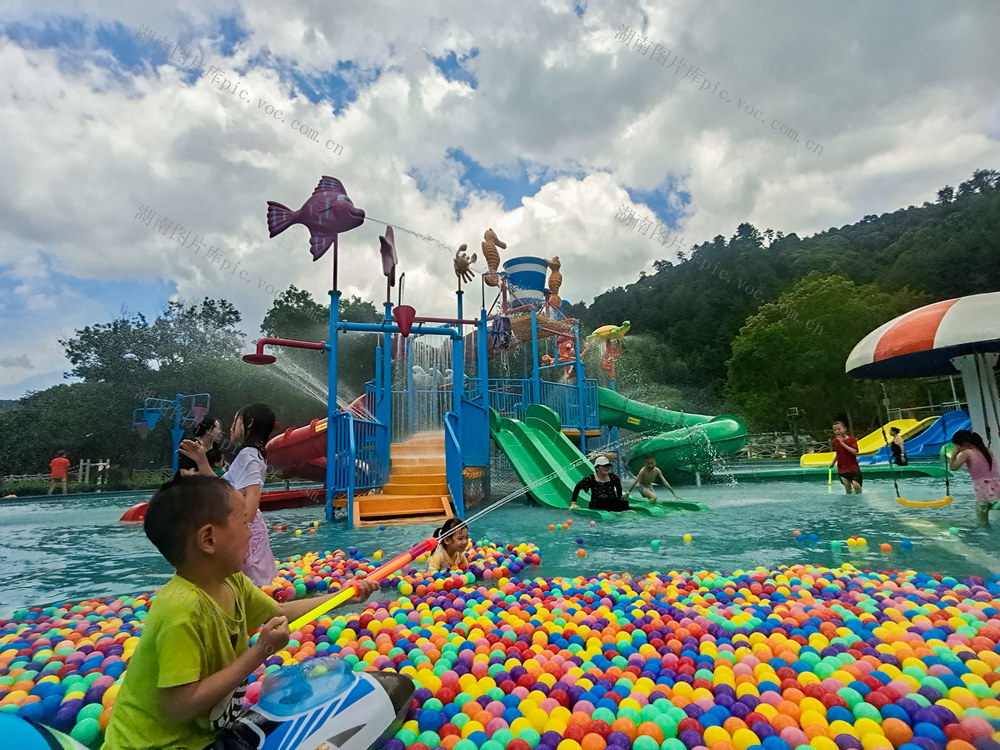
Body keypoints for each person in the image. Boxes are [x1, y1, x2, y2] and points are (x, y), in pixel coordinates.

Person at [100, 475, 378, 750]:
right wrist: (260, 652)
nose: (250, 532)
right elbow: (179, 706)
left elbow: (279, 611)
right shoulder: (179, 609)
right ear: (208, 539)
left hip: (202, 735)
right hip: (155, 745)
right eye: (244, 523)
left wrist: (343, 597)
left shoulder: (230, 580)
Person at [180, 404, 278, 587]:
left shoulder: (248, 454)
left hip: (245, 525)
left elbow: (253, 496)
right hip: (247, 525)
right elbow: (221, 486)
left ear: (248, 425)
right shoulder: (251, 454)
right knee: (252, 582)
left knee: (252, 582)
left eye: (235, 421)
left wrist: (238, 529)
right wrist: (201, 460)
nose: (231, 426)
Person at [949, 430, 1000, 526]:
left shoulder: (966, 453)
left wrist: (954, 455)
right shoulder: (987, 451)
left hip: (983, 490)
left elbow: (953, 467)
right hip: (997, 486)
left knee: (982, 523)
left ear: (961, 444)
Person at [828, 420, 862, 494]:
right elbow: (838, 453)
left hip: (853, 467)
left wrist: (843, 444)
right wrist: (833, 463)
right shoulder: (834, 441)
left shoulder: (852, 439)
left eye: (839, 429)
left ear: (844, 429)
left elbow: (854, 452)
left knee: (856, 485)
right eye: (835, 430)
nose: (837, 431)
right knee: (847, 487)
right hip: (842, 468)